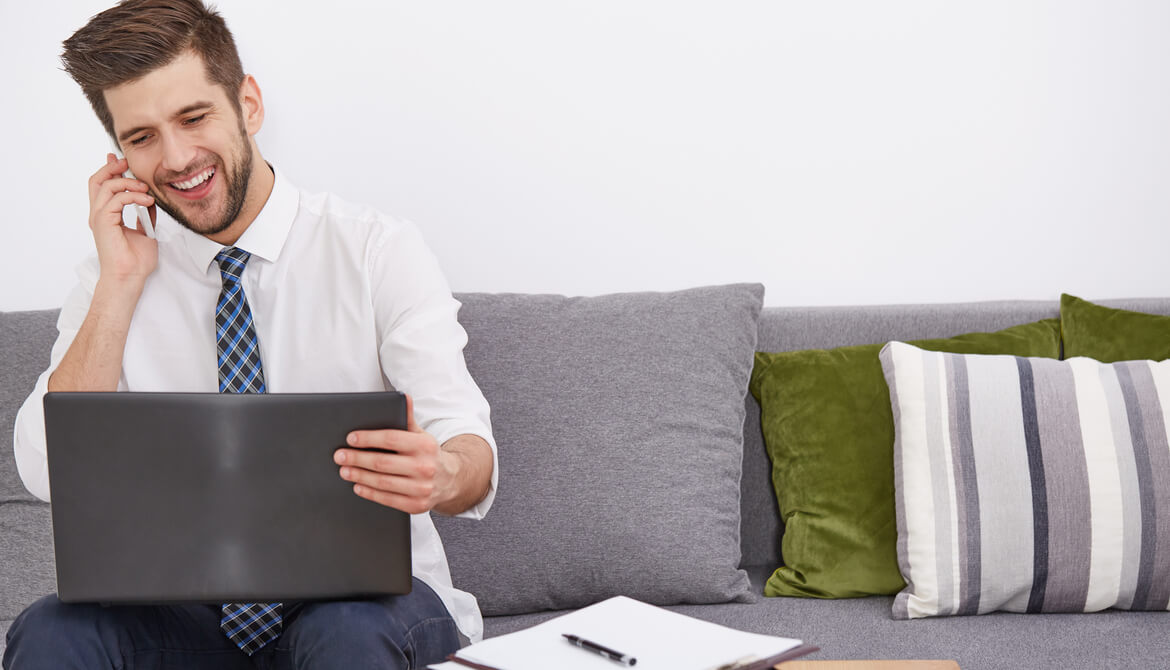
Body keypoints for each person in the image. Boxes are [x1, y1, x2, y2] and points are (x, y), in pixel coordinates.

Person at [4, 1, 498, 668]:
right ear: (119, 155)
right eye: (142, 137)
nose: (177, 158)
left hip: (365, 607)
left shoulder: (375, 250)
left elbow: (467, 446)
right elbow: (45, 472)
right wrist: (116, 289)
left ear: (249, 106)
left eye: (194, 117)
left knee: (347, 633)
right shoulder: (110, 274)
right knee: (53, 630)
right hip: (188, 622)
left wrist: (442, 473)